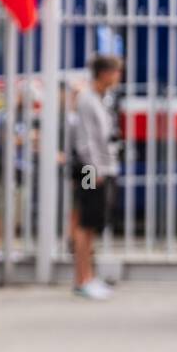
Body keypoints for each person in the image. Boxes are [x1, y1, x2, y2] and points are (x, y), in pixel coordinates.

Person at [71, 55, 122, 300]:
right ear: (104, 73)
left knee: (93, 223)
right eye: (115, 72)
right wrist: (96, 170)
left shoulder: (103, 99)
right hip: (91, 169)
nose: (118, 77)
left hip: (102, 167)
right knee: (86, 221)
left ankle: (88, 276)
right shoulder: (88, 100)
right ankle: (82, 278)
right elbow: (86, 141)